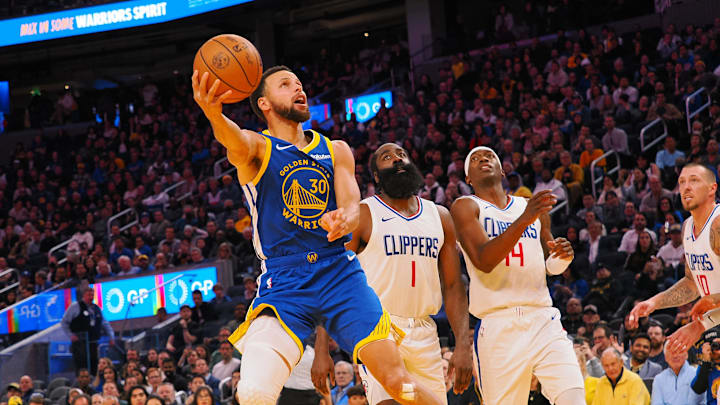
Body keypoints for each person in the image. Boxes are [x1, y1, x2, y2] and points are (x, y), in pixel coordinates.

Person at [192, 66, 443, 405]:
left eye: (299, 83)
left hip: (340, 273)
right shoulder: (257, 148)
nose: (299, 88)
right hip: (285, 281)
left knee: (400, 383)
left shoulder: (335, 148)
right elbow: (233, 138)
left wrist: (348, 217)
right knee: (253, 393)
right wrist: (212, 113)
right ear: (264, 103)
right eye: (285, 85)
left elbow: (352, 199)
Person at [313, 143, 472, 404]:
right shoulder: (363, 214)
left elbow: (454, 286)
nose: (397, 159)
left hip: (425, 331)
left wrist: (463, 345)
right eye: (387, 157)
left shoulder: (440, 216)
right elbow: (333, 281)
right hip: (378, 330)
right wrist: (322, 350)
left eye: (402, 155)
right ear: (376, 176)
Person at [450, 146, 585, 405]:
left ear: (502, 170)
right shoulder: (466, 206)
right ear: (468, 178)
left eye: (489, 157)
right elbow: (484, 260)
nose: (483, 160)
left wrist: (563, 255)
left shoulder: (530, 207)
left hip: (542, 316)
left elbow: (550, 264)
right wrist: (525, 219)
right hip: (498, 323)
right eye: (475, 160)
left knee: (573, 394)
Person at [630, 164, 720, 355]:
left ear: (712, 188)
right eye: (681, 182)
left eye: (694, 180)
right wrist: (655, 302)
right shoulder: (687, 227)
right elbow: (691, 283)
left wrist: (700, 325)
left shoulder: (718, 225)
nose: (686, 187)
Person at [61, 287, 115, 374]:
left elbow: (105, 324)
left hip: (93, 343)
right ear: (84, 295)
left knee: (94, 365)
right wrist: (70, 335)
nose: (91, 297)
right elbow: (64, 322)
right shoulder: (75, 306)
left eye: (92, 295)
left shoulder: (96, 308)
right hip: (80, 344)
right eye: (89, 295)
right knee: (82, 367)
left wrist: (111, 337)